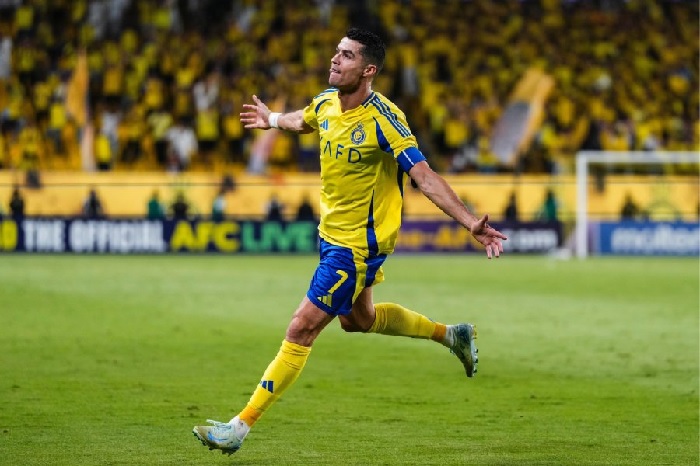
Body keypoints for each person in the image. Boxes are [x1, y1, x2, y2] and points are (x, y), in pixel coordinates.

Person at [193, 28, 507, 456]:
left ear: (368, 69)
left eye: (346, 55)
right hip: (331, 236)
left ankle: (239, 427)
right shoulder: (326, 101)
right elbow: (302, 121)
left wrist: (470, 221)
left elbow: (423, 176)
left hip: (357, 246)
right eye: (336, 52)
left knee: (301, 327)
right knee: (359, 319)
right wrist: (271, 119)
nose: (335, 59)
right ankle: (452, 335)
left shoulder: (385, 119)